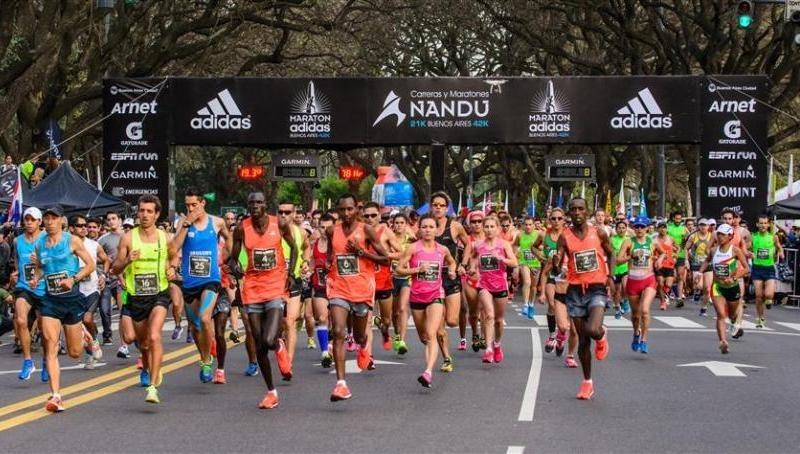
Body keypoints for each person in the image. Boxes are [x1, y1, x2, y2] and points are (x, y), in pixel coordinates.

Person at [228, 192, 296, 409]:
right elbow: (233, 257)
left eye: (259, 202)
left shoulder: (279, 224)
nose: (255, 206)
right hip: (253, 289)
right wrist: (235, 267)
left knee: (268, 340)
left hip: (275, 286)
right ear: (248, 206)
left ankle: (278, 344)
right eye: (252, 203)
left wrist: (292, 275)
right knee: (259, 344)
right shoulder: (242, 228)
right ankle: (271, 392)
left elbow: (294, 247)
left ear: (266, 205)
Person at [324, 193, 389, 401]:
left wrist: (362, 253)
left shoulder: (366, 230)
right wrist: (328, 264)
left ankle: (363, 347)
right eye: (342, 209)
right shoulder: (331, 231)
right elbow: (330, 255)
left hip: (361, 289)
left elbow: (386, 259)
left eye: (350, 209)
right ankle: (341, 384)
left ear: (356, 210)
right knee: (338, 331)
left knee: (360, 336)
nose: (346, 213)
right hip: (338, 288)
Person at [32, 205, 96, 411]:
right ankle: (56, 396)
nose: (50, 222)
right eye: (47, 218)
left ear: (62, 221)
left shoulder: (72, 240)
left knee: (74, 353)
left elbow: (90, 265)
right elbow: (41, 267)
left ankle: (85, 336)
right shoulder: (40, 243)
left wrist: (73, 279)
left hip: (71, 299)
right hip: (50, 300)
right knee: (50, 345)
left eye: (54, 218)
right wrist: (36, 277)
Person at [111, 196, 175, 404]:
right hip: (136, 296)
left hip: (159, 294)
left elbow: (174, 256)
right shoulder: (128, 238)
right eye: (141, 211)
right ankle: (147, 367)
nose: (145, 215)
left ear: (157, 214)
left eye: (149, 211)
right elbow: (115, 269)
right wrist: (127, 260)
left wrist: (172, 268)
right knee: (141, 343)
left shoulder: (164, 237)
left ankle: (153, 387)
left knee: (154, 336)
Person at [553, 198, 612, 400]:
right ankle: (587, 382)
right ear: (569, 213)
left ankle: (601, 335)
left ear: (587, 212)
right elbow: (557, 269)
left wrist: (611, 276)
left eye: (581, 209)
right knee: (583, 340)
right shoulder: (564, 236)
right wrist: (555, 263)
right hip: (575, 291)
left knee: (592, 329)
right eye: (573, 209)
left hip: (596, 288)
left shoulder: (599, 232)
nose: (577, 212)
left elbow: (611, 253)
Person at [169, 189, 230, 383]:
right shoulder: (183, 222)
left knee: (205, 318)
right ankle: (205, 359)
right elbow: (173, 248)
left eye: (194, 205)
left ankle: (207, 361)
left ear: (203, 203)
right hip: (190, 282)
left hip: (211, 280)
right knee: (195, 326)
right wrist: (186, 224)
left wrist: (227, 260)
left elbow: (230, 240)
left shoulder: (216, 222)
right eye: (187, 205)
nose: (190, 208)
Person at [396, 214, 457, 387]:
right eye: (424, 227)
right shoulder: (413, 248)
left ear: (437, 230)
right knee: (424, 337)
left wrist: (452, 271)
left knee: (431, 334)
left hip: (436, 295)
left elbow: (452, 262)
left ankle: (428, 372)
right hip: (417, 297)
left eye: (431, 227)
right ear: (419, 229)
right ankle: (437, 358)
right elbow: (399, 269)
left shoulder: (442, 249)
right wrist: (416, 270)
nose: (428, 230)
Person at [463, 216, 518, 364]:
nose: (489, 229)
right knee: (489, 315)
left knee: (498, 320)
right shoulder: (478, 245)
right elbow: (474, 258)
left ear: (498, 229)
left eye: (492, 227)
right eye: (486, 226)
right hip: (484, 285)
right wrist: (472, 268)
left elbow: (514, 262)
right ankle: (488, 349)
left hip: (500, 285)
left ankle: (497, 345)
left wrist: (501, 259)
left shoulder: (504, 245)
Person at [617, 216, 663, 354]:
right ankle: (636, 332)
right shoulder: (628, 242)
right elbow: (618, 260)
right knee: (636, 315)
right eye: (637, 226)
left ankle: (644, 339)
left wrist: (659, 260)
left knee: (645, 310)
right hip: (633, 280)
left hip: (648, 279)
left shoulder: (652, 241)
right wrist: (630, 257)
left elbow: (663, 253)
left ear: (647, 228)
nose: (639, 229)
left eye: (642, 227)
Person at [700, 224, 748, 354]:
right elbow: (707, 261)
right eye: (719, 234)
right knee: (721, 315)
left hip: (732, 287)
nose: (720, 237)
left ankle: (733, 321)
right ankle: (722, 341)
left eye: (723, 235)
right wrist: (699, 272)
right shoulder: (713, 250)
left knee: (732, 315)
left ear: (730, 236)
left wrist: (734, 278)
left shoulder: (735, 250)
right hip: (718, 287)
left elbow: (746, 268)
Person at [12, 207, 47, 381]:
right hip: (24, 287)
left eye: (32, 219)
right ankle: (28, 361)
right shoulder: (17, 241)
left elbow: (54, 263)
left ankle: (47, 361)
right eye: (26, 219)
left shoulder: (47, 238)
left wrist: (40, 261)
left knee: (45, 329)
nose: (29, 222)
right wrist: (16, 273)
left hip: (44, 288)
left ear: (40, 222)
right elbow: (17, 262)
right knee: (20, 320)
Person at [70, 215, 108, 369]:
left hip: (92, 287)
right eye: (80, 226)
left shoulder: (93, 244)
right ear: (71, 228)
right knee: (78, 325)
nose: (84, 228)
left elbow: (106, 260)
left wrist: (103, 275)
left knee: (87, 319)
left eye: (85, 225)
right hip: (74, 289)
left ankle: (95, 341)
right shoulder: (66, 245)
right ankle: (90, 353)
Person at [276, 200, 308, 380]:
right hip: (274, 283)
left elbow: (306, 248)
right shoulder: (272, 231)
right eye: (280, 212)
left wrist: (305, 262)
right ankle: (280, 343)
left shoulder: (300, 232)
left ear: (294, 213)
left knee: (290, 321)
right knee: (279, 324)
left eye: (287, 212)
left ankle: (288, 363)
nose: (283, 215)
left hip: (293, 280)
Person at [310, 214, 334, 367]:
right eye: (322, 227)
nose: (325, 230)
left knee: (335, 322)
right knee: (322, 317)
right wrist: (307, 269)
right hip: (320, 286)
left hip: (338, 288)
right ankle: (325, 351)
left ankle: (331, 344)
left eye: (328, 227)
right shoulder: (315, 243)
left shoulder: (338, 244)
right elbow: (311, 262)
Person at [750, 214, 782, 328]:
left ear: (768, 224)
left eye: (765, 223)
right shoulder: (753, 236)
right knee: (759, 296)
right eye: (761, 223)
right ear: (757, 224)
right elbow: (747, 248)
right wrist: (749, 253)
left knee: (768, 294)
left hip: (769, 269)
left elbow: (779, 247)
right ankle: (760, 318)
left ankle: (769, 300)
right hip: (757, 268)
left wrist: (781, 252)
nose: (763, 225)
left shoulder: (773, 237)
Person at [390, 213, 415, 354]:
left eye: (402, 223)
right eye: (397, 223)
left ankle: (402, 340)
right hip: (392, 277)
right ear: (393, 224)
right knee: (394, 313)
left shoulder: (411, 240)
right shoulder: (389, 239)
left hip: (406, 277)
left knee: (402, 308)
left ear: (406, 225)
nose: (399, 225)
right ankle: (397, 333)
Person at [99, 212, 124, 347]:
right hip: (108, 280)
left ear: (120, 220)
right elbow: (94, 257)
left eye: (114, 218)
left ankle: (125, 342)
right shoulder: (103, 239)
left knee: (124, 310)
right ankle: (107, 335)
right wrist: (105, 261)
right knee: (104, 310)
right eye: (108, 219)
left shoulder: (128, 236)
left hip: (123, 281)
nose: (111, 221)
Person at [513, 216, 541, 320]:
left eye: (530, 224)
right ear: (523, 225)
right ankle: (525, 305)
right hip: (524, 262)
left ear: (534, 225)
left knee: (533, 286)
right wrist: (516, 253)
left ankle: (531, 305)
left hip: (536, 263)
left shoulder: (539, 234)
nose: (528, 227)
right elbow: (515, 246)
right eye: (526, 224)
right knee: (527, 282)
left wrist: (540, 248)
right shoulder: (520, 235)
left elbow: (545, 247)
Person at [685, 219, 714, 316]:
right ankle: (697, 291)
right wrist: (686, 260)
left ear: (708, 226)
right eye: (701, 225)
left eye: (705, 225)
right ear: (698, 226)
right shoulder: (693, 236)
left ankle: (703, 308)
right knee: (699, 285)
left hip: (708, 264)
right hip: (696, 264)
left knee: (707, 288)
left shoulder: (712, 236)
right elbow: (686, 248)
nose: (703, 227)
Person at [666, 211, 689, 307]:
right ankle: (668, 294)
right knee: (672, 276)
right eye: (677, 218)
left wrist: (685, 239)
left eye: (680, 219)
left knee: (680, 276)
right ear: (673, 218)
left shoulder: (684, 229)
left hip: (681, 255)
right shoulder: (668, 227)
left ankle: (679, 297)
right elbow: (665, 240)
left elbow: (687, 241)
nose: (678, 220)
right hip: (670, 254)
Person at [654, 221, 677, 311]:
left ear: (667, 229)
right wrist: (655, 257)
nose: (662, 229)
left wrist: (675, 256)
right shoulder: (654, 240)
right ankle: (663, 302)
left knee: (668, 285)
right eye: (660, 227)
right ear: (657, 229)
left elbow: (678, 248)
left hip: (669, 264)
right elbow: (651, 251)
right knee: (660, 283)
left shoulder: (670, 239)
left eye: (664, 227)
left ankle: (665, 293)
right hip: (659, 264)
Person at [609, 219, 630, 319]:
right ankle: (618, 308)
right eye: (619, 228)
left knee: (625, 287)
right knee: (616, 290)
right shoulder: (611, 239)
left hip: (625, 267)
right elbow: (608, 253)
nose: (621, 230)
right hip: (614, 268)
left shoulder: (629, 240)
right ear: (616, 229)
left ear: (626, 229)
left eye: (623, 228)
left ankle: (625, 301)